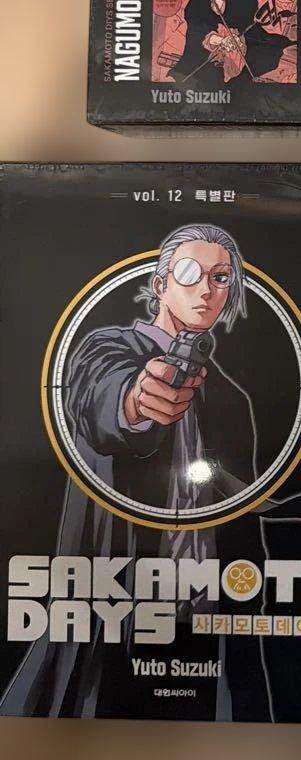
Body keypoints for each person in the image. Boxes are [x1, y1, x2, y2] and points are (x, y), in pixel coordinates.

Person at [1, 225, 270, 720]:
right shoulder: (107, 348)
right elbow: (104, 399)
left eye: (220, 277)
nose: (206, 289)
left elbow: (237, 510)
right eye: (189, 273)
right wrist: (137, 403)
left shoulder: (231, 396)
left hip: (206, 604)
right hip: (118, 596)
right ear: (160, 284)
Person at [170, 0, 293, 88]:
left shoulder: (248, 0)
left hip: (240, 64)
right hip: (203, 65)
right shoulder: (196, 2)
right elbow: (197, 31)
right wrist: (220, 40)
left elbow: (239, 21)